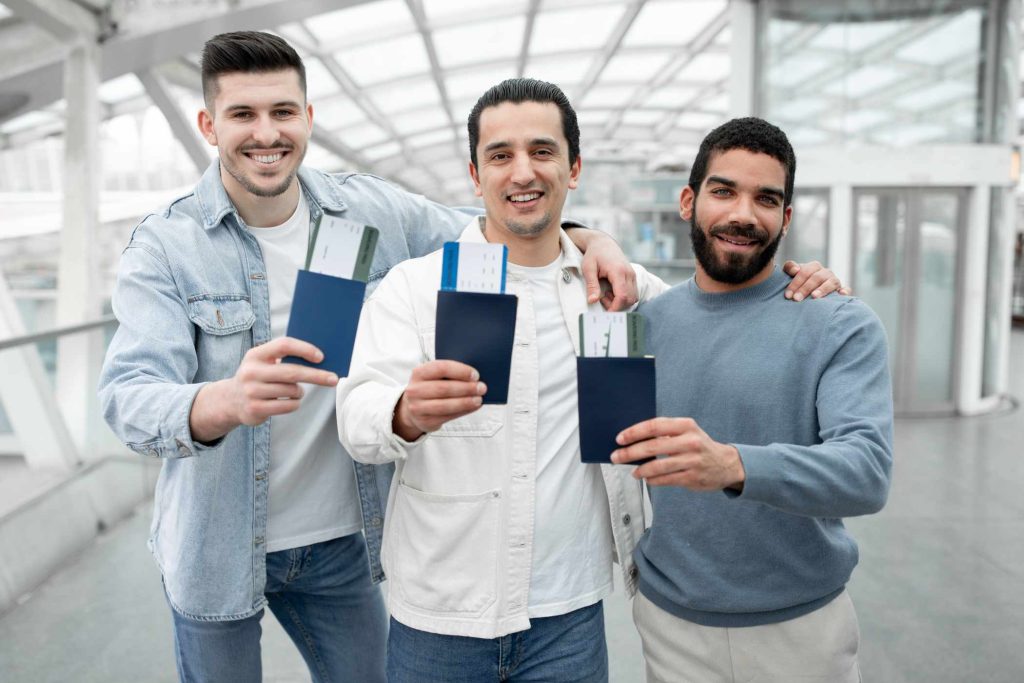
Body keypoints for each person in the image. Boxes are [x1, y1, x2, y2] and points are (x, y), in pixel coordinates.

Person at [96, 32, 642, 683]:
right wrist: (222, 399)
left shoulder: (365, 212)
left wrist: (591, 238)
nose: (265, 133)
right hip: (215, 544)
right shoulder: (166, 246)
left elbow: (502, 221)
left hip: (338, 543)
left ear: (308, 118)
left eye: (283, 112)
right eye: (243, 114)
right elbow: (126, 396)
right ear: (210, 125)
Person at [335, 82, 844, 683]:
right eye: (500, 155)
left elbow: (724, 303)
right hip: (440, 620)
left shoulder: (624, 296)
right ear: (475, 177)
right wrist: (404, 412)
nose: (523, 172)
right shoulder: (416, 288)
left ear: (573, 168)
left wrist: (809, 289)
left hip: (569, 620)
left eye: (543, 152)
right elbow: (356, 419)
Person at [612, 117, 894, 683]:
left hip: (801, 631)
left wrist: (734, 465)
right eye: (723, 191)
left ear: (785, 217)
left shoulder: (838, 322)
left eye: (766, 198)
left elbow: (867, 472)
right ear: (688, 201)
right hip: (670, 625)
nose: (743, 214)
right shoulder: (638, 326)